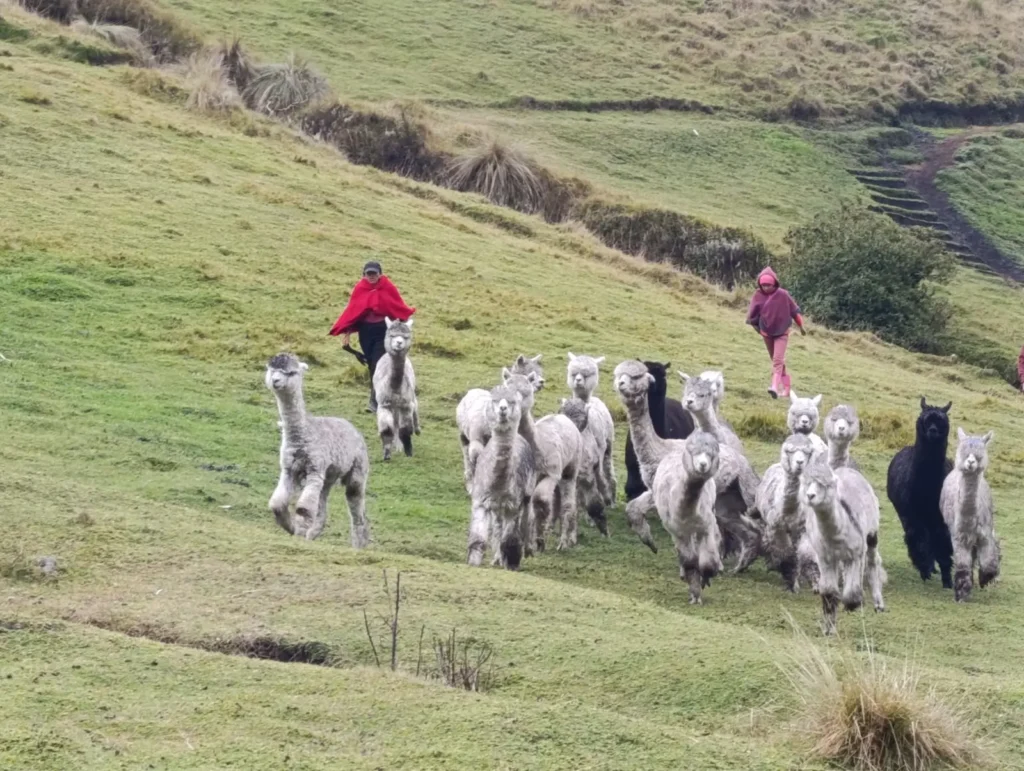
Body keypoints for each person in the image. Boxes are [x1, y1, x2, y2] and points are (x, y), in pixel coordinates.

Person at [329, 261, 415, 412]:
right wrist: (347, 331)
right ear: (364, 274)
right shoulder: (360, 288)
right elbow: (353, 310)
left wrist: (403, 322)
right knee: (371, 364)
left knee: (377, 363)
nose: (371, 276)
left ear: (379, 274)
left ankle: (374, 402)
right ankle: (381, 396)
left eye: (374, 273)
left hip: (383, 330)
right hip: (366, 331)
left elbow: (396, 305)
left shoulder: (388, 287)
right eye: (369, 273)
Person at [746, 266, 805, 399]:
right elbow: (753, 316)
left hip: (782, 332)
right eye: (763, 285)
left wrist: (801, 326)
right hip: (766, 333)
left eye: (769, 285)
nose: (766, 288)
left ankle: (774, 387)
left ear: (775, 284)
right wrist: (759, 329)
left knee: (777, 361)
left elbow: (794, 312)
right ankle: (787, 388)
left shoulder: (783, 294)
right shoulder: (758, 295)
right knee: (777, 361)